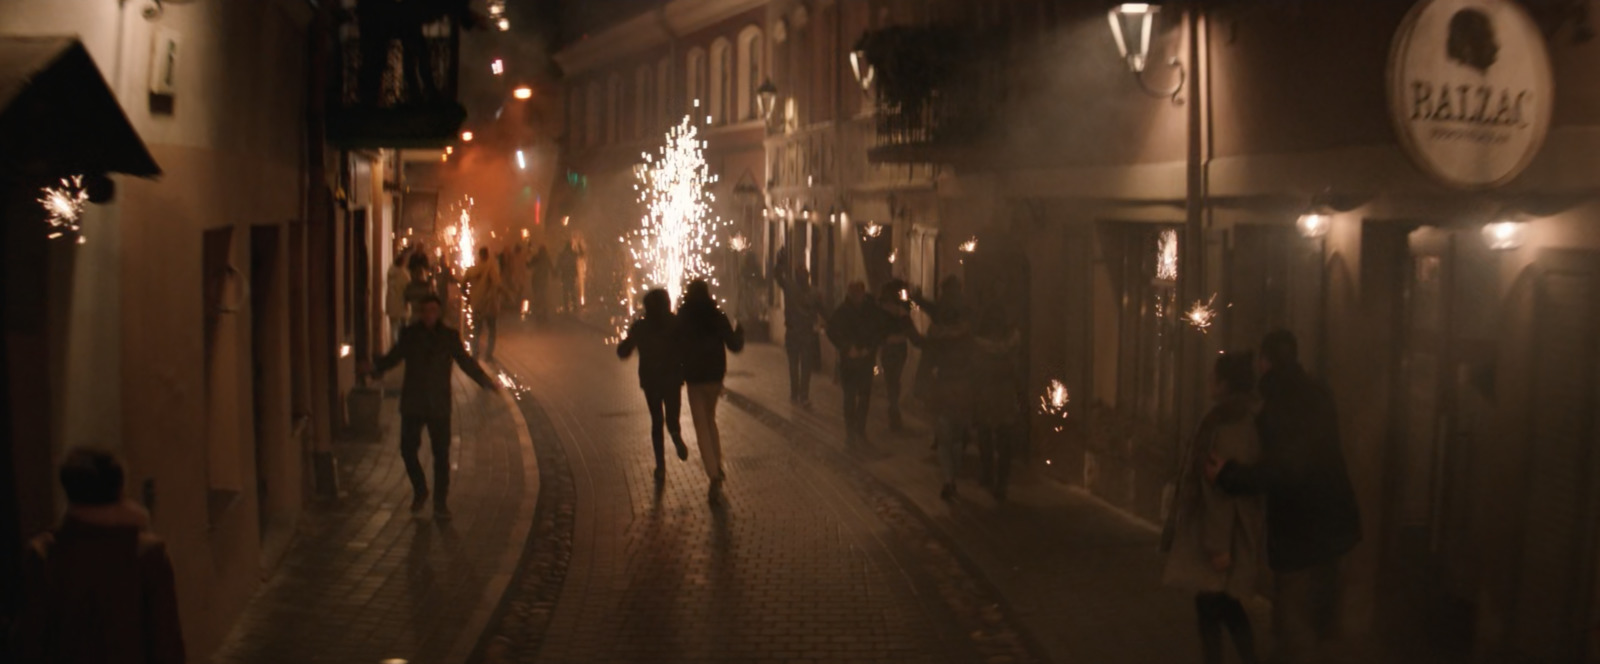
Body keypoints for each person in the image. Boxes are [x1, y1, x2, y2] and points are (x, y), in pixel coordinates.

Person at [1207, 330, 1361, 664]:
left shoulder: (1277, 404)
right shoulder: (1320, 392)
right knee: (1328, 625)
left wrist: (1229, 475)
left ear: (1265, 362)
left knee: (1295, 627)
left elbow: (1281, 470)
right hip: (1339, 527)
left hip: (1300, 534)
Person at [11, 447, 185, 664]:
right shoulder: (147, 554)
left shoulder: (44, 555)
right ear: (120, 488)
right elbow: (166, 643)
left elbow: (30, 643)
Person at [1165, 352, 1265, 664]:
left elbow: (1218, 488)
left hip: (1220, 531)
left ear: (1224, 383)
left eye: (1213, 377)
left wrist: (1217, 545)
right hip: (1224, 529)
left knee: (1215, 604)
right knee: (1218, 603)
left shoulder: (1228, 423)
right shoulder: (1243, 417)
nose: (1209, 382)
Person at [367, 294, 498, 517]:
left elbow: (465, 361)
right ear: (421, 312)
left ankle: (440, 503)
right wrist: (374, 367)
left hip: (438, 404)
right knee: (407, 450)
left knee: (441, 455)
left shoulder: (448, 337)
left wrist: (483, 380)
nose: (429, 315)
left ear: (439, 313)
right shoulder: (410, 335)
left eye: (433, 311)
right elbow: (394, 357)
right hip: (413, 403)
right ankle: (420, 490)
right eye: (426, 311)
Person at [676, 280, 745, 505]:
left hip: (695, 378)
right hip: (715, 377)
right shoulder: (717, 315)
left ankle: (714, 473)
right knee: (711, 420)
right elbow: (734, 345)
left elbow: (675, 343)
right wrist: (740, 329)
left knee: (701, 426)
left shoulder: (684, 317)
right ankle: (718, 464)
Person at [617, 289, 690, 481]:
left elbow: (624, 351)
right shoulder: (675, 323)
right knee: (672, 416)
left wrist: (625, 343)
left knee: (656, 421)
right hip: (672, 377)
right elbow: (685, 347)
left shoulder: (641, 326)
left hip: (650, 379)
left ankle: (660, 467)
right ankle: (675, 434)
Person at [916, 276, 974, 500]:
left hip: (944, 386)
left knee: (944, 434)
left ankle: (949, 479)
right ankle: (954, 474)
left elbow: (928, 358)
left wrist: (921, 384)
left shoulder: (937, 330)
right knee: (958, 435)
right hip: (965, 386)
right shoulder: (968, 324)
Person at [971, 300, 1023, 502]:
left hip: (986, 394)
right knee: (1004, 440)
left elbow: (974, 371)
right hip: (1005, 394)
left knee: (985, 435)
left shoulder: (978, 346)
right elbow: (1016, 371)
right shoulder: (1012, 345)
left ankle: (987, 473)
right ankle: (1002, 482)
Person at [827, 281, 883, 446]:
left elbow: (878, 331)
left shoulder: (870, 311)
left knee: (864, 397)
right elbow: (832, 331)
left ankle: (860, 430)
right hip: (849, 362)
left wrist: (869, 348)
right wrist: (846, 348)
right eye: (855, 293)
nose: (858, 296)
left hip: (866, 360)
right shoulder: (843, 312)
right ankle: (851, 432)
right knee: (850, 397)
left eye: (860, 293)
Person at [776, 263, 823, 405]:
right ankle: (802, 394)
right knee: (804, 365)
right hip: (805, 333)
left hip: (794, 332)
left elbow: (778, 278)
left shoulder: (790, 288)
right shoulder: (813, 292)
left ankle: (796, 393)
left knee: (795, 364)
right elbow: (821, 309)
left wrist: (779, 266)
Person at [878, 279, 921, 432]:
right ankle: (894, 415)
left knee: (893, 382)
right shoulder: (896, 312)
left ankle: (894, 413)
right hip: (894, 349)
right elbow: (910, 331)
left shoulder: (885, 311)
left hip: (893, 349)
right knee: (893, 383)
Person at [462, 246, 505, 362]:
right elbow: (498, 284)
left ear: (479, 255)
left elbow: (463, 284)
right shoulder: (491, 268)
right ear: (487, 255)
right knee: (491, 330)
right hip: (489, 305)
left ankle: (475, 353)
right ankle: (488, 355)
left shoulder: (472, 270)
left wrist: (468, 298)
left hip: (476, 304)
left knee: (476, 329)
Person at [386, 250, 413, 347]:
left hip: (392, 304)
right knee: (404, 327)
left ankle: (396, 345)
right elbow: (408, 290)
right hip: (402, 305)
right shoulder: (405, 275)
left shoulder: (390, 272)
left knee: (394, 327)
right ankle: (403, 346)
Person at [528, 244, 553, 324]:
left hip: (536, 280)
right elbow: (551, 268)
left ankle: (539, 312)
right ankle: (543, 312)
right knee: (543, 296)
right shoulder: (546, 258)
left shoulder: (536, 257)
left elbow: (529, 265)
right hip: (543, 280)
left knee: (537, 296)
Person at [557, 240, 582, 314]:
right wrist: (579, 246)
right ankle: (574, 306)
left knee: (565, 291)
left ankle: (566, 307)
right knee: (572, 290)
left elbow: (559, 264)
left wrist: (555, 272)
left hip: (565, 275)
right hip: (571, 274)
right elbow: (581, 254)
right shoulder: (572, 254)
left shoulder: (562, 254)